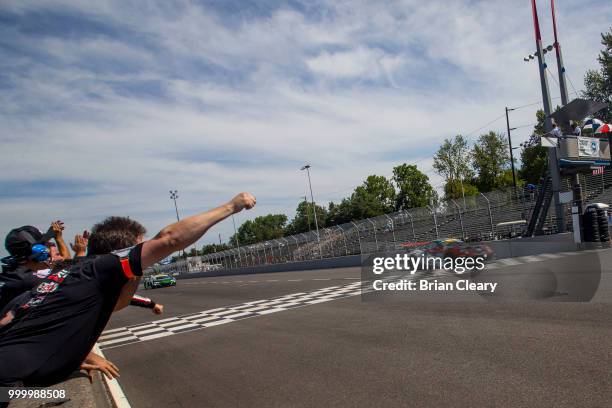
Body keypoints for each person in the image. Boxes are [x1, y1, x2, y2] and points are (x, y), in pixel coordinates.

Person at [0, 192, 256, 391]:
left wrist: (76, 354)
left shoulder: (70, 273)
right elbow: (170, 239)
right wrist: (233, 206)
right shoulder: (100, 270)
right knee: (58, 396)